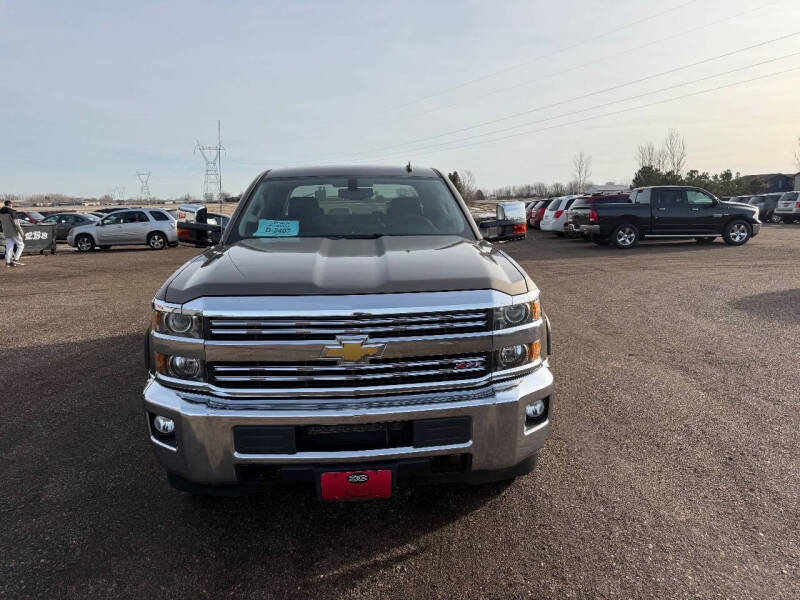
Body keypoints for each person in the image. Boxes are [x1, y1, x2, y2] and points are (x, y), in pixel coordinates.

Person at [0, 199, 25, 267]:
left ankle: (8, 262)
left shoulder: (1, 212)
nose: (12, 205)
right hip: (14, 231)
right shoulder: (12, 211)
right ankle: (16, 260)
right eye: (12, 204)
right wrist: (21, 232)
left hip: (6, 231)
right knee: (21, 245)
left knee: (9, 246)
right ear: (10, 204)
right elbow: (16, 223)